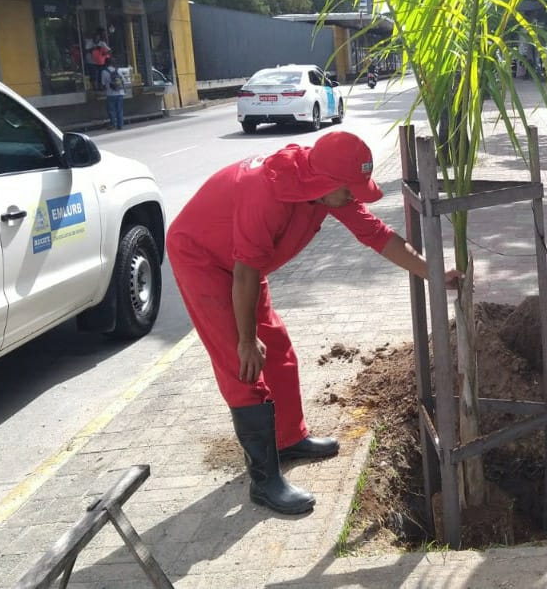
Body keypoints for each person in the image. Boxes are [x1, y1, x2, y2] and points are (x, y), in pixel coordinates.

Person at [166, 132, 461, 515]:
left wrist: (433, 273)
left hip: (244, 267)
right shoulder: (268, 195)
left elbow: (377, 236)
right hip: (205, 260)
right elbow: (244, 274)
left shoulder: (320, 188)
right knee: (244, 365)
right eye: (350, 189)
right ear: (324, 185)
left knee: (280, 350)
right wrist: (245, 338)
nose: (355, 196)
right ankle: (264, 482)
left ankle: (288, 439)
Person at [101, 56, 125, 129]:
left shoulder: (104, 71)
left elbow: (103, 83)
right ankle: (120, 125)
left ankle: (112, 124)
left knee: (111, 110)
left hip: (110, 94)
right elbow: (123, 81)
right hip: (120, 93)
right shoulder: (118, 70)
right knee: (119, 110)